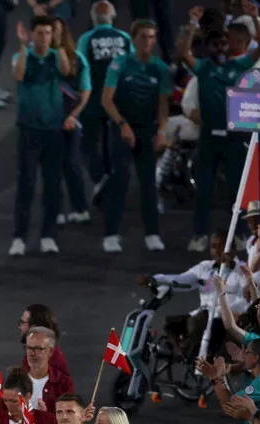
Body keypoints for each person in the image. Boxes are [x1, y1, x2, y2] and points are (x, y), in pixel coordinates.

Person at [178, 5, 260, 252]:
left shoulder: (239, 67)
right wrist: (194, 23)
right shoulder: (203, 68)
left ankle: (239, 235)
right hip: (209, 137)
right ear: (208, 47)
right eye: (215, 45)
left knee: (237, 191)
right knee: (204, 189)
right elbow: (184, 52)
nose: (220, 48)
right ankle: (199, 235)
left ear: (229, 46)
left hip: (235, 136)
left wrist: (256, 18)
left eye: (223, 44)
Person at [100, 20, 173, 254]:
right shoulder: (120, 64)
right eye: (143, 37)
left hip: (146, 131)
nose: (147, 42)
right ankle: (111, 234)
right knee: (119, 181)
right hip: (122, 129)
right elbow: (106, 100)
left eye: (151, 37)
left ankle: (152, 234)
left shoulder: (160, 68)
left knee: (149, 184)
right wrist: (122, 124)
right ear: (133, 39)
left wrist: (161, 131)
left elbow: (163, 105)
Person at [9, 16, 71, 257]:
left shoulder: (56, 56)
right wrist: (24, 47)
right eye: (40, 32)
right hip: (28, 129)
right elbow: (18, 75)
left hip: (53, 130)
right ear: (32, 35)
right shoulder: (22, 55)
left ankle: (48, 236)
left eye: (47, 32)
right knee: (26, 185)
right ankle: (19, 237)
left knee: (52, 185)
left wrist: (57, 44)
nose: (44, 37)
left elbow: (66, 70)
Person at [75, 3, 131, 204]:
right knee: (115, 142)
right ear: (112, 16)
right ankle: (115, 182)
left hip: (94, 98)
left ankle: (100, 177)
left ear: (93, 18)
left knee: (87, 142)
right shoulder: (124, 38)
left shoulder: (86, 38)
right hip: (119, 98)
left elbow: (81, 66)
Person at [50, 17, 91, 228]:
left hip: (69, 120)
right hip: (47, 123)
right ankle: (55, 211)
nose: (52, 34)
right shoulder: (40, 57)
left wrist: (74, 115)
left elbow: (85, 91)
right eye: (49, 30)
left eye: (56, 30)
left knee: (72, 165)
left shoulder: (78, 59)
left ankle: (80, 209)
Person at [23, 326, 75, 411]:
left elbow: (69, 420)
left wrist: (45, 417)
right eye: (29, 348)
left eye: (39, 349)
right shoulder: (14, 381)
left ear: (50, 352)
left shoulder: (63, 384)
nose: (32, 353)